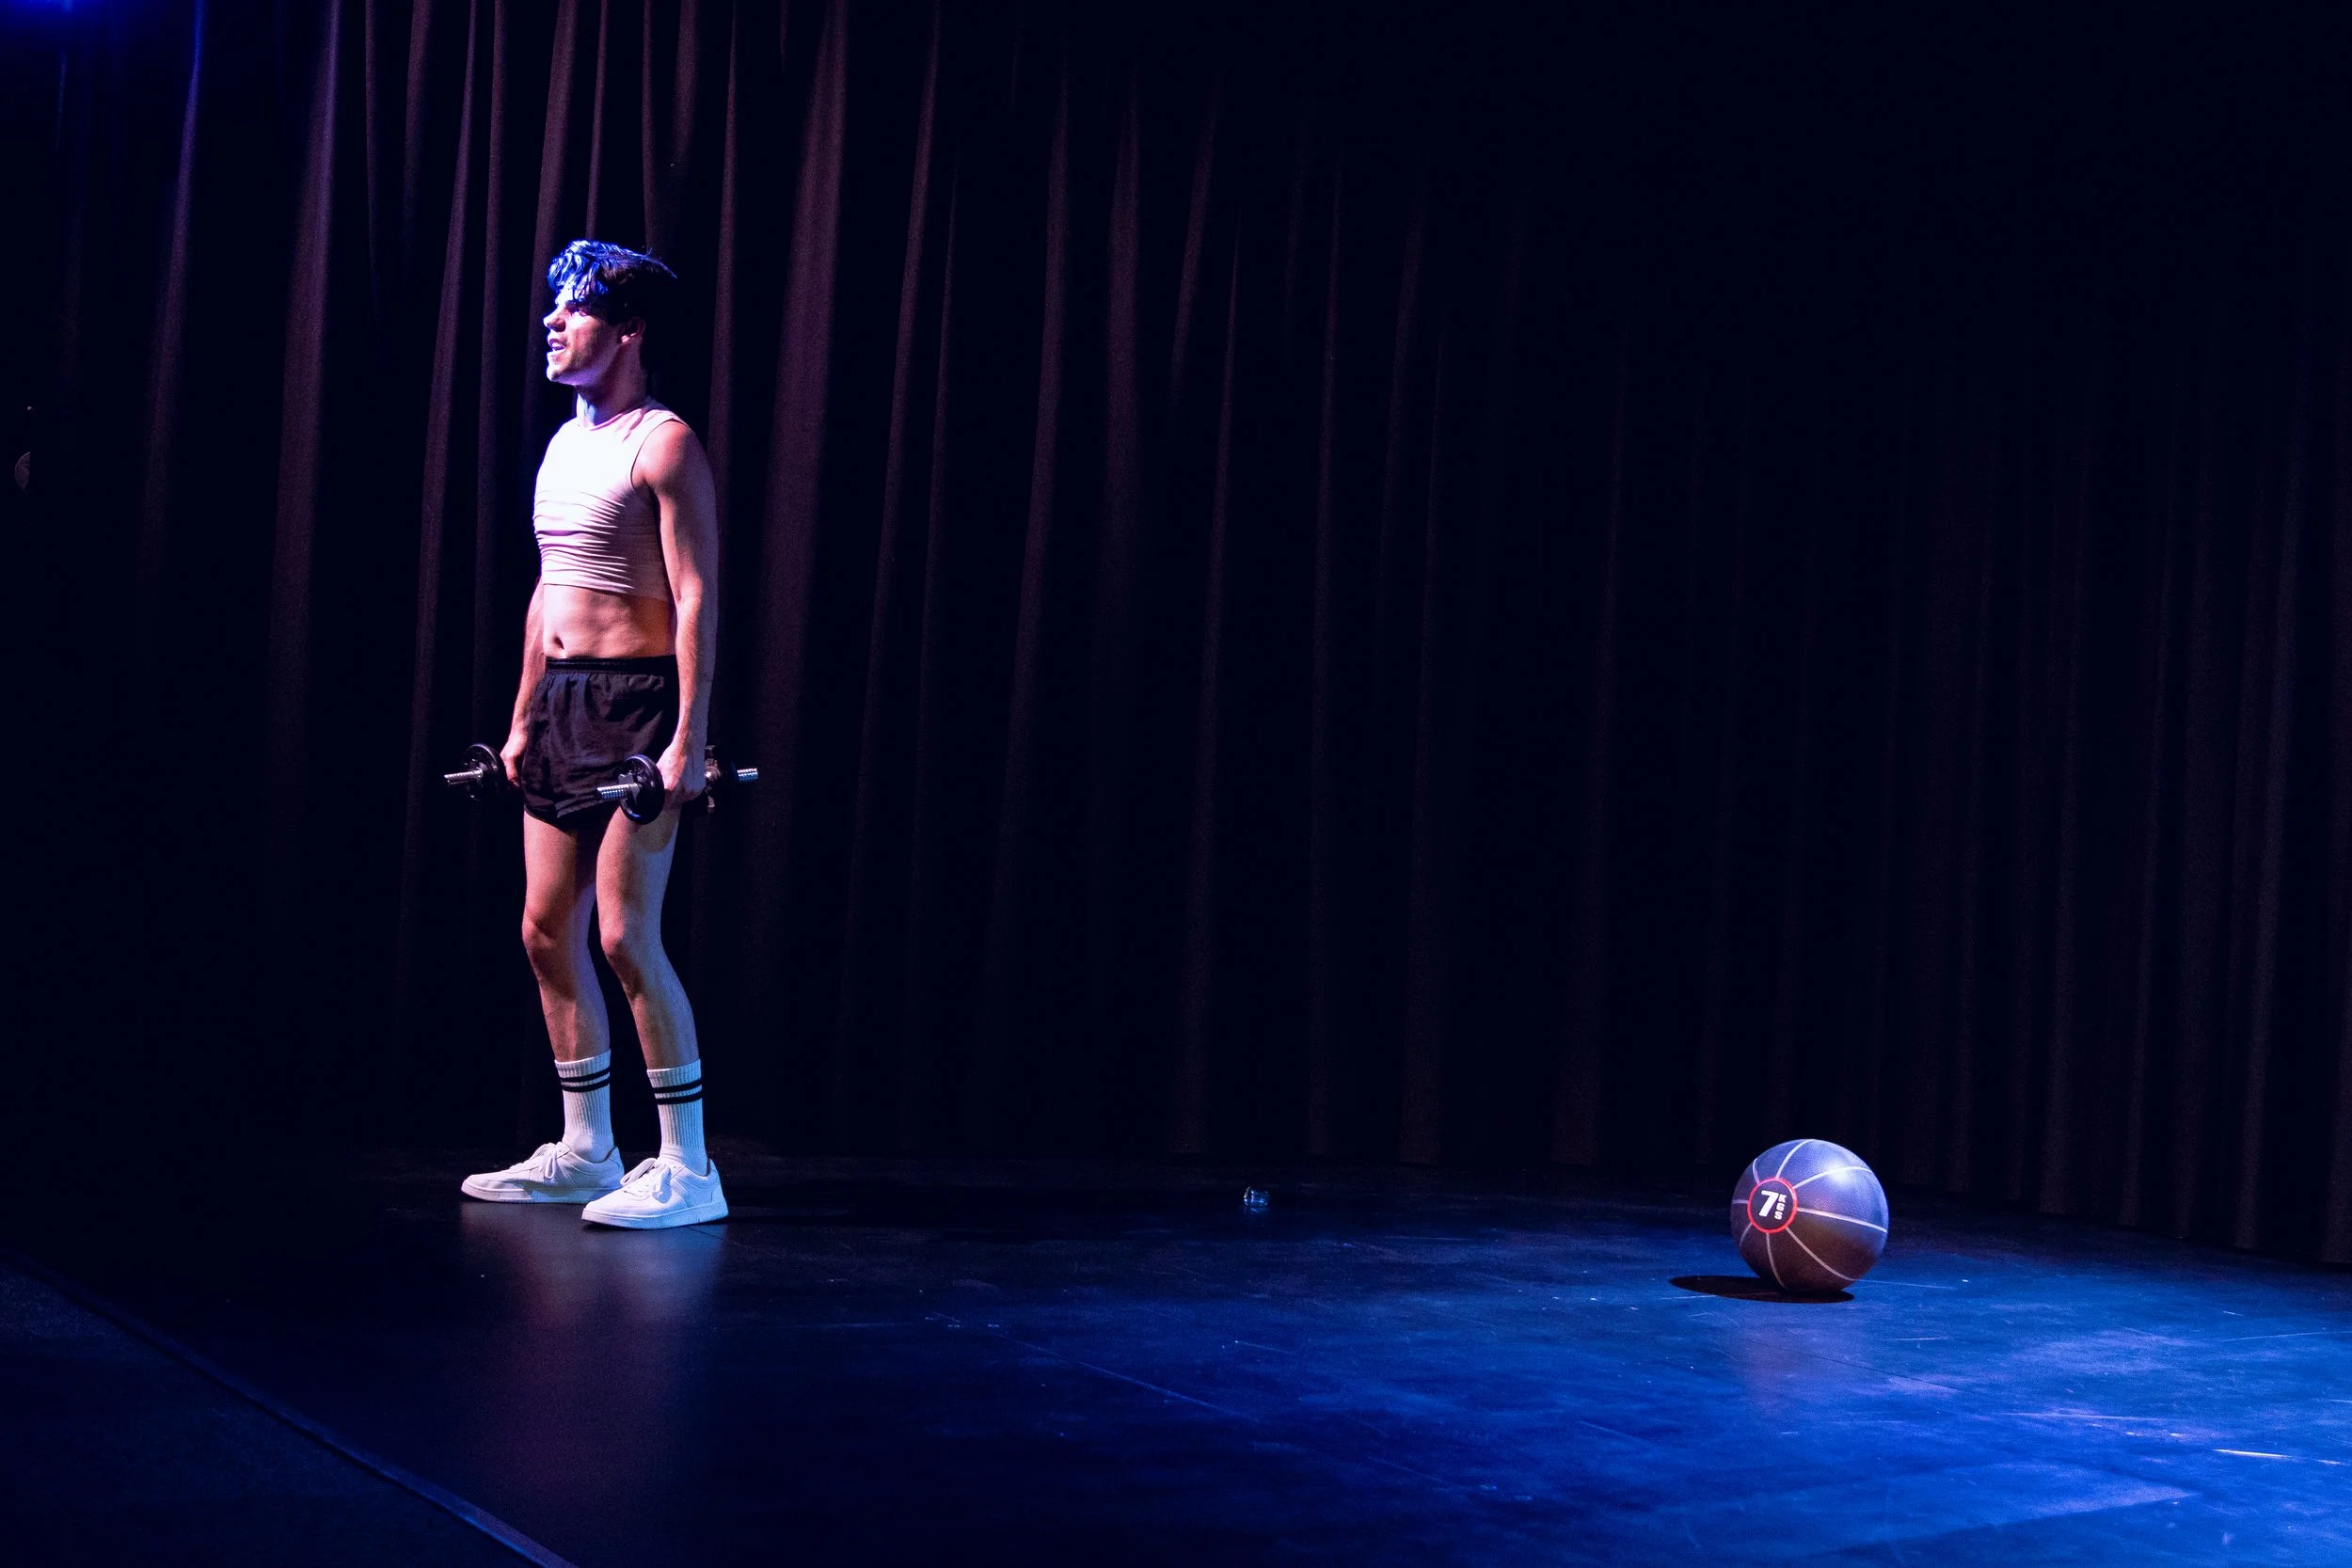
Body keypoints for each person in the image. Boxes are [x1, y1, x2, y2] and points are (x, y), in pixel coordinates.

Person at [460, 240, 726, 1228]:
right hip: (565, 698)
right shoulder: (565, 443)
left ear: (627, 329)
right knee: (543, 927)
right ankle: (584, 1147)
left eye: (569, 311)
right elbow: (550, 585)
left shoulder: (663, 443)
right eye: (552, 310)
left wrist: (687, 738)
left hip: (639, 705)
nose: (550, 323)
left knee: (622, 932)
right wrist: (525, 712)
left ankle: (690, 1168)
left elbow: (696, 596)